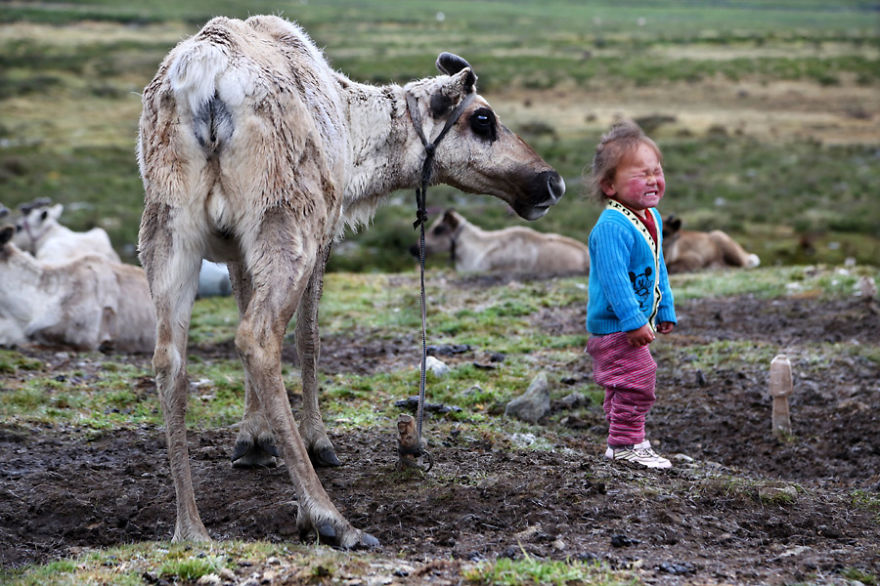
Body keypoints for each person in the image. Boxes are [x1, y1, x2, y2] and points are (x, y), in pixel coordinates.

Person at [585, 120, 677, 469]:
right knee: (639, 378)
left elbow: (657, 265)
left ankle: (621, 440)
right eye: (642, 174)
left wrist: (664, 308)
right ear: (609, 185)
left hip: (630, 324)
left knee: (623, 382)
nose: (653, 180)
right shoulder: (611, 228)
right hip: (616, 327)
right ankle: (625, 444)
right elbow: (615, 282)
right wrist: (634, 321)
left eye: (657, 171)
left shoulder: (651, 216)